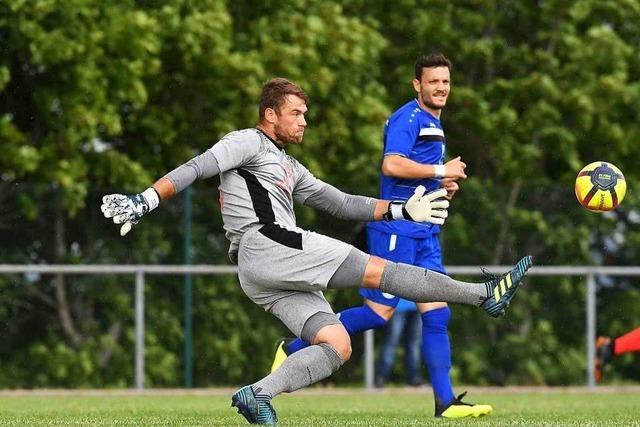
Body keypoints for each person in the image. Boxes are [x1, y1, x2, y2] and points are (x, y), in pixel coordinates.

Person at [101, 77, 532, 425]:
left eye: (305, 113)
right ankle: (484, 295)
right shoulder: (247, 142)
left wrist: (403, 208)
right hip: (269, 243)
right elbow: (198, 166)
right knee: (380, 270)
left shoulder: (287, 165)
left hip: (259, 271)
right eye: (296, 113)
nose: (304, 121)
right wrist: (145, 200)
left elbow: (342, 203)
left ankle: (258, 395)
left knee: (337, 344)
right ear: (270, 115)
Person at [270, 54, 492, 418]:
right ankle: (292, 347)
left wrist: (441, 185)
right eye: (433, 81)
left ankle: (445, 402)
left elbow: (414, 175)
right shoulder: (409, 117)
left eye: (446, 82)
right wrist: (440, 168)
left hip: (425, 232)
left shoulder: (432, 121)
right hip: (396, 230)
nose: (441, 88)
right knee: (378, 314)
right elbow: (391, 164)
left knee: (437, 313)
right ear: (417, 85)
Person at [375, 298, 423, 388]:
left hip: (418, 305)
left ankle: (413, 378)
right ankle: (381, 377)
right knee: (391, 341)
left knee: (414, 344)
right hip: (397, 306)